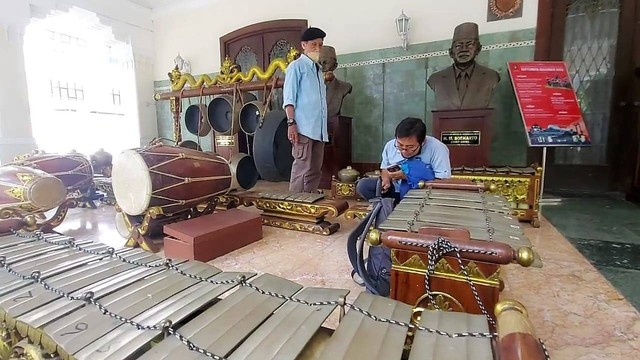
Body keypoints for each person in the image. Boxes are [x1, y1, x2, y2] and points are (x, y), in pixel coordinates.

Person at [356, 117, 451, 204]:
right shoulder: (390, 145)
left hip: (420, 192)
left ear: (422, 142)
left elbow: (442, 181)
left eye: (410, 147)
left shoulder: (438, 148)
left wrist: (409, 177)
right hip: (394, 189)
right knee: (364, 185)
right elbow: (385, 168)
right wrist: (386, 180)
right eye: (400, 145)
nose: (404, 150)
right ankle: (387, 207)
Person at [282, 26, 328, 193]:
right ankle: (294, 209)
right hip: (303, 128)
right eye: (313, 44)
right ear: (304, 45)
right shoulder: (296, 67)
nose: (317, 48)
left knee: (315, 170)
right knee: (301, 169)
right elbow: (289, 99)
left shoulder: (318, 70)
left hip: (319, 130)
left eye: (320, 45)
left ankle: (309, 206)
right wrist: (291, 123)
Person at [427, 22, 500, 110]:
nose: (464, 49)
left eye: (469, 45)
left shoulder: (491, 76)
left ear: (478, 49)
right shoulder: (436, 79)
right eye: (458, 46)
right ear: (450, 52)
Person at [318, 45, 353, 117]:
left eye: (325, 62)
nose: (321, 66)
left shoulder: (344, 87)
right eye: (319, 63)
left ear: (335, 65)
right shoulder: (311, 86)